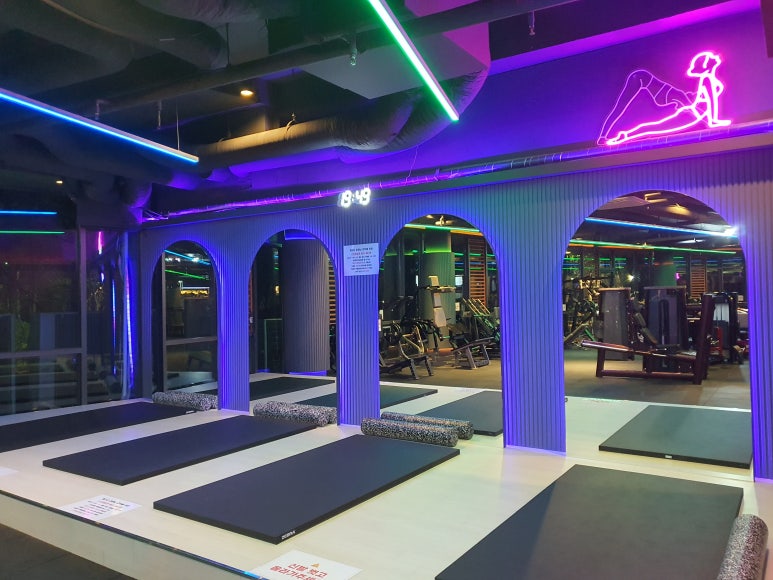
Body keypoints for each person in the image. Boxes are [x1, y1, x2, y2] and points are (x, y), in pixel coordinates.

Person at [599, 51, 730, 146]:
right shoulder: (707, 79)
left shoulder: (708, 80)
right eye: (710, 57)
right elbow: (711, 102)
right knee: (649, 128)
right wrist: (713, 121)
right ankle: (617, 136)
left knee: (649, 128)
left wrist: (711, 121)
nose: (715, 57)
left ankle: (622, 136)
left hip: (691, 113)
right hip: (689, 112)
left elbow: (709, 103)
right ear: (706, 65)